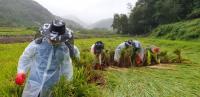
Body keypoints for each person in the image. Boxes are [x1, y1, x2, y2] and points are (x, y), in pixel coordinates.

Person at [15, 20, 74, 97]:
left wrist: (67, 84)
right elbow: (26, 57)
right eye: (52, 38)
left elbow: (66, 68)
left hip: (52, 84)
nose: (53, 40)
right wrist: (21, 71)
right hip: (34, 81)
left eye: (56, 39)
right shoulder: (38, 44)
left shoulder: (63, 49)